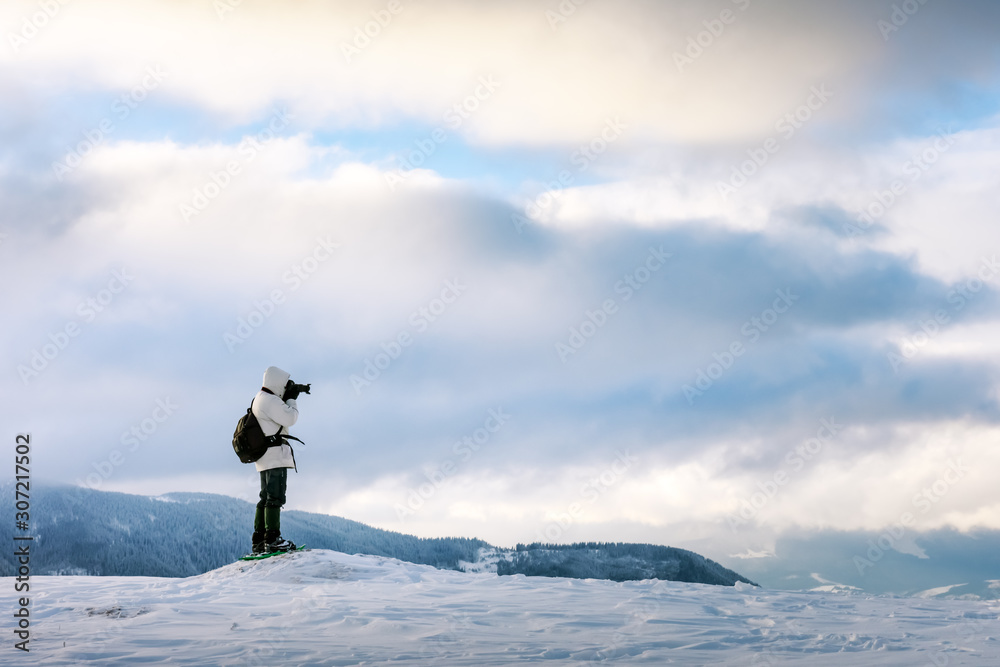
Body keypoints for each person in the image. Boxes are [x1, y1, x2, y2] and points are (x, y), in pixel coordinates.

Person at [250, 365, 306, 554]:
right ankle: (273, 539)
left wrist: (287, 395)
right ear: (278, 382)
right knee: (275, 497)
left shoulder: (260, 398)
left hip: (265, 455)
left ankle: (259, 539)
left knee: (265, 497)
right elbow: (290, 418)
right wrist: (291, 399)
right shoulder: (270, 400)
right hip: (274, 455)